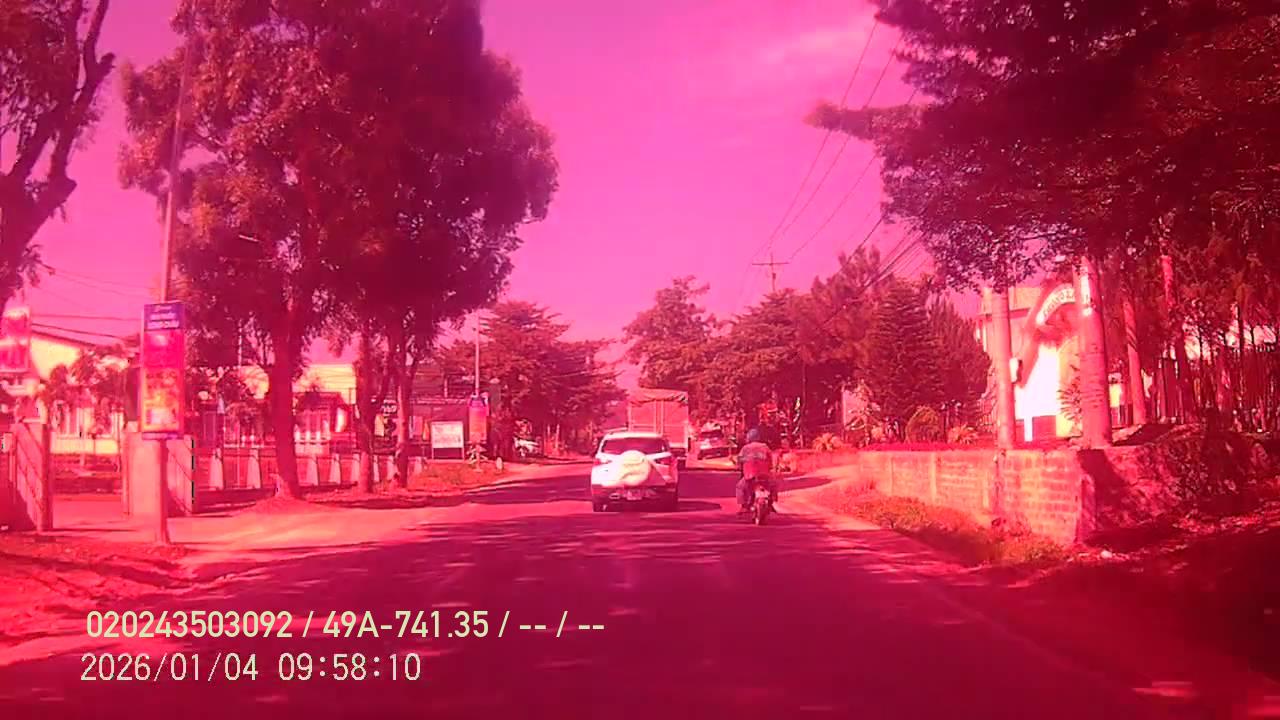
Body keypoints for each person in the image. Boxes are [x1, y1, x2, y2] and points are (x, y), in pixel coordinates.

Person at [735, 427, 775, 513]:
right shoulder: (764, 446)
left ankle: (744, 506)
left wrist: (739, 466)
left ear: (749, 438)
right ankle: (771, 503)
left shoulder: (745, 448)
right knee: (773, 485)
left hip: (750, 476)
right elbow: (770, 459)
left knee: (739, 487)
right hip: (765, 475)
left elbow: (739, 460)